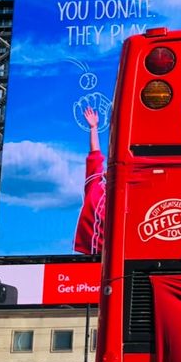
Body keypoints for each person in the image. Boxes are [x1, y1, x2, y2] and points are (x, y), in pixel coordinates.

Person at [74, 106, 106, 255]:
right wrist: (93, 128)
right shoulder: (96, 183)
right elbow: (95, 154)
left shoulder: (124, 196)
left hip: (111, 254)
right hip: (90, 253)